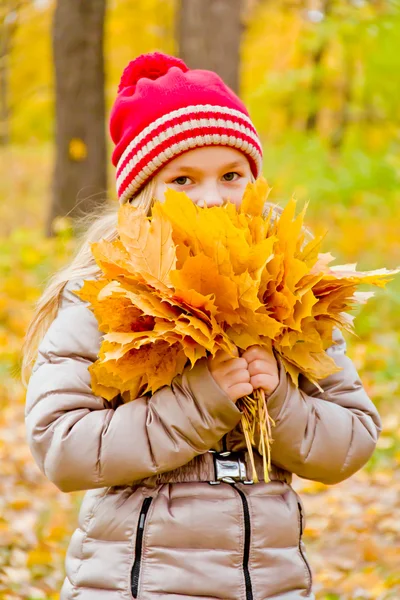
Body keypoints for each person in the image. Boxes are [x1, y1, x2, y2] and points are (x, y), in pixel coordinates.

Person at [23, 52, 382, 600]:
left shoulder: (288, 290)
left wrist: (280, 397)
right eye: (183, 179)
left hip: (269, 583)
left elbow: (351, 439)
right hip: (138, 585)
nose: (212, 197)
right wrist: (198, 402)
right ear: (143, 193)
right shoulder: (104, 294)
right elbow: (62, 446)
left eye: (231, 175)